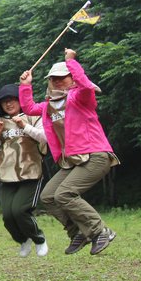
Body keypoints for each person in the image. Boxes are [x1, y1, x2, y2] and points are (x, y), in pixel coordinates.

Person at [19, 48, 119, 255]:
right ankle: (78, 233)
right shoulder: (50, 106)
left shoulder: (80, 98)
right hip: (73, 160)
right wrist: (25, 85)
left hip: (95, 155)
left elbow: (85, 85)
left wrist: (71, 62)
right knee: (48, 196)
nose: (57, 82)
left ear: (71, 79)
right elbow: (28, 108)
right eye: (53, 79)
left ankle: (100, 231)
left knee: (65, 194)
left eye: (61, 78)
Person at [0, 84, 49, 257]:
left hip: (30, 171)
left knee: (20, 211)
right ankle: (23, 240)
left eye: (12, 100)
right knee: (7, 215)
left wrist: (24, 125)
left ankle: (39, 238)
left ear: (20, 100)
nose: (9, 104)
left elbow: (45, 137)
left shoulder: (33, 116)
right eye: (5, 102)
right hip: (7, 173)